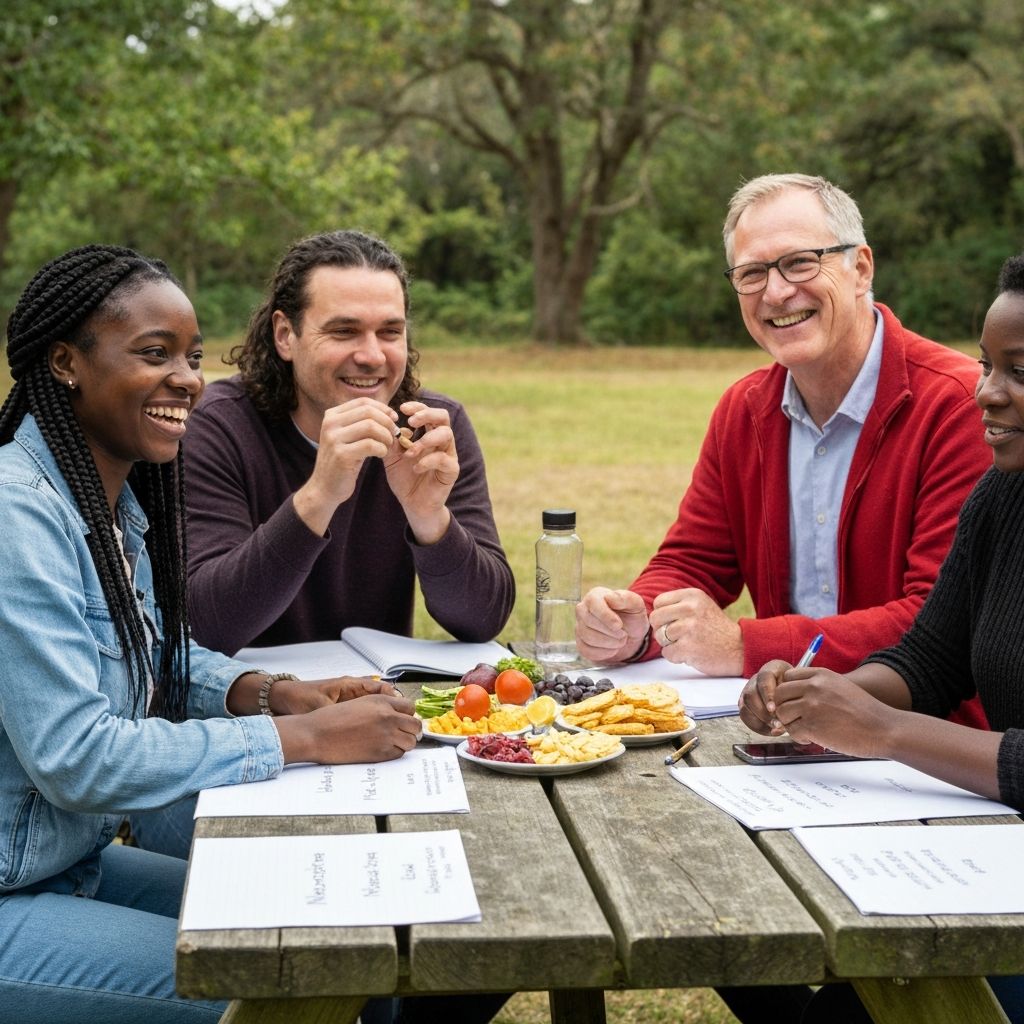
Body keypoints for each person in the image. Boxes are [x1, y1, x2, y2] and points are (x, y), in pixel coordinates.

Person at [0, 244, 423, 1023]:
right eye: (154, 354)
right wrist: (307, 738)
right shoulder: (17, 514)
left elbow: (151, 646)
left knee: (351, 954)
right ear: (64, 362)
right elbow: (78, 758)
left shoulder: (109, 500)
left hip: (70, 863)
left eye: (193, 357)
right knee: (284, 992)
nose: (188, 380)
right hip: (12, 889)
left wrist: (269, 689)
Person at [574, 173, 989, 731]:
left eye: (799, 262)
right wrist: (639, 621)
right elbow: (693, 561)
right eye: (751, 273)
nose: (775, 292)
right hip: (789, 735)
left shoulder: (959, 406)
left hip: (929, 750)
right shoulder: (743, 410)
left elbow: (938, 622)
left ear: (861, 268)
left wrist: (744, 643)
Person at [739, 252, 1024, 1023]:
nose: (986, 392)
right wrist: (818, 696)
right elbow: (932, 656)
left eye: (1018, 372)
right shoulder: (1003, 497)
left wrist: (887, 731)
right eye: (985, 363)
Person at [182, 228, 514, 655]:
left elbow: (482, 619)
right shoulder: (218, 428)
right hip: (250, 706)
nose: (372, 355)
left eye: (390, 332)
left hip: (378, 702)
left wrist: (429, 517)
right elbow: (207, 623)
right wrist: (319, 497)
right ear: (285, 335)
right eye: (344, 331)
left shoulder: (431, 430)